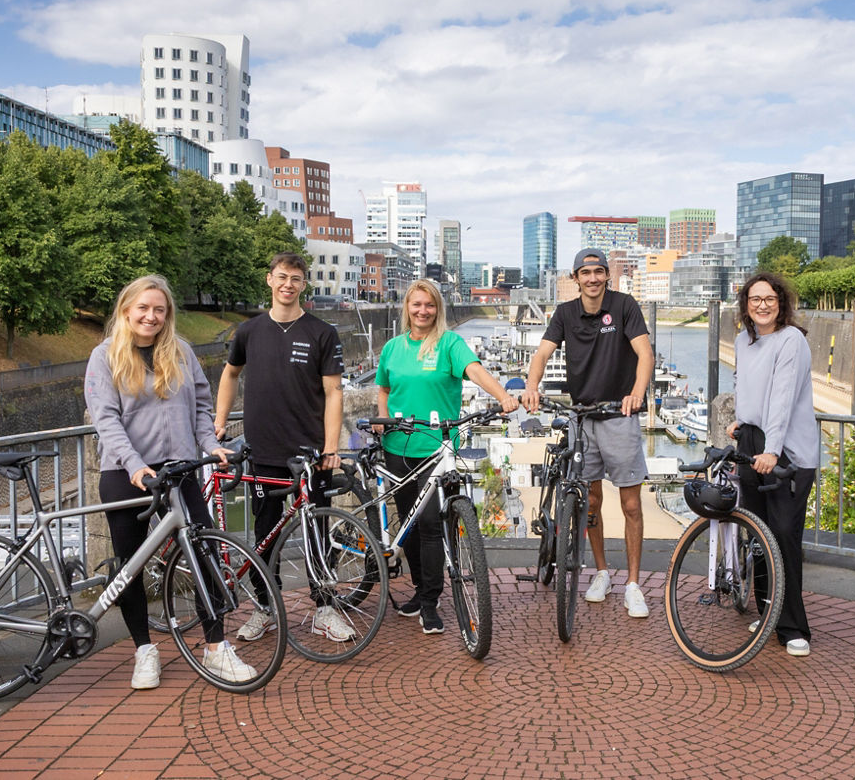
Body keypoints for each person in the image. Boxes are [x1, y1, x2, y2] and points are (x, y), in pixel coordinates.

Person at [84, 274, 254, 689]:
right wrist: (134, 464)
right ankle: (144, 649)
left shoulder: (180, 352)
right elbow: (105, 419)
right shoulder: (104, 356)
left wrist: (210, 444)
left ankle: (216, 647)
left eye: (159, 309)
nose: (151, 316)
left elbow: (200, 404)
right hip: (127, 474)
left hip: (178, 471)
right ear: (127, 310)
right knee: (131, 565)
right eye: (143, 308)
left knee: (206, 553)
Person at [214, 252, 352, 644]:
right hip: (262, 451)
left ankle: (325, 607)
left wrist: (330, 446)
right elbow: (230, 374)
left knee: (316, 532)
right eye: (282, 277)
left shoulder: (322, 333)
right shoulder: (249, 331)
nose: (288, 284)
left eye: (296, 278)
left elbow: (334, 392)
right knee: (264, 534)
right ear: (269, 279)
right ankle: (265, 608)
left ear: (304, 285)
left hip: (310, 453)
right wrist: (220, 421)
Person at [375, 279, 519, 635]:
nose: (423, 311)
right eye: (416, 305)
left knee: (428, 526)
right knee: (406, 526)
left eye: (430, 305)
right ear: (407, 308)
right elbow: (383, 388)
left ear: (438, 309)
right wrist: (382, 420)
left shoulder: (449, 344)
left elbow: (475, 371)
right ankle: (422, 588)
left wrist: (503, 396)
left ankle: (429, 601)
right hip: (397, 447)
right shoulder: (392, 348)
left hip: (437, 448)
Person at [522, 248, 655, 618]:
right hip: (582, 418)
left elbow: (645, 354)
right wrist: (532, 386)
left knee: (630, 504)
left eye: (599, 272)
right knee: (590, 502)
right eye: (586, 272)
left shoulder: (624, 305)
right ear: (575, 277)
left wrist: (637, 394)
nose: (593, 278)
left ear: (606, 276)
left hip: (618, 414)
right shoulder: (565, 313)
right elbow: (541, 354)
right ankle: (600, 572)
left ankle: (632, 583)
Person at [725, 272, 818, 657]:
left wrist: (773, 450)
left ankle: (793, 626)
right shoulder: (744, 341)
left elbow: (781, 398)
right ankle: (767, 610)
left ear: (781, 302)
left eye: (769, 298)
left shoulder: (791, 340)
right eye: (754, 299)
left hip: (787, 450)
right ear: (746, 305)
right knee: (758, 532)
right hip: (753, 439)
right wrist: (740, 419)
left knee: (782, 534)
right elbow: (745, 387)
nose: (761, 305)